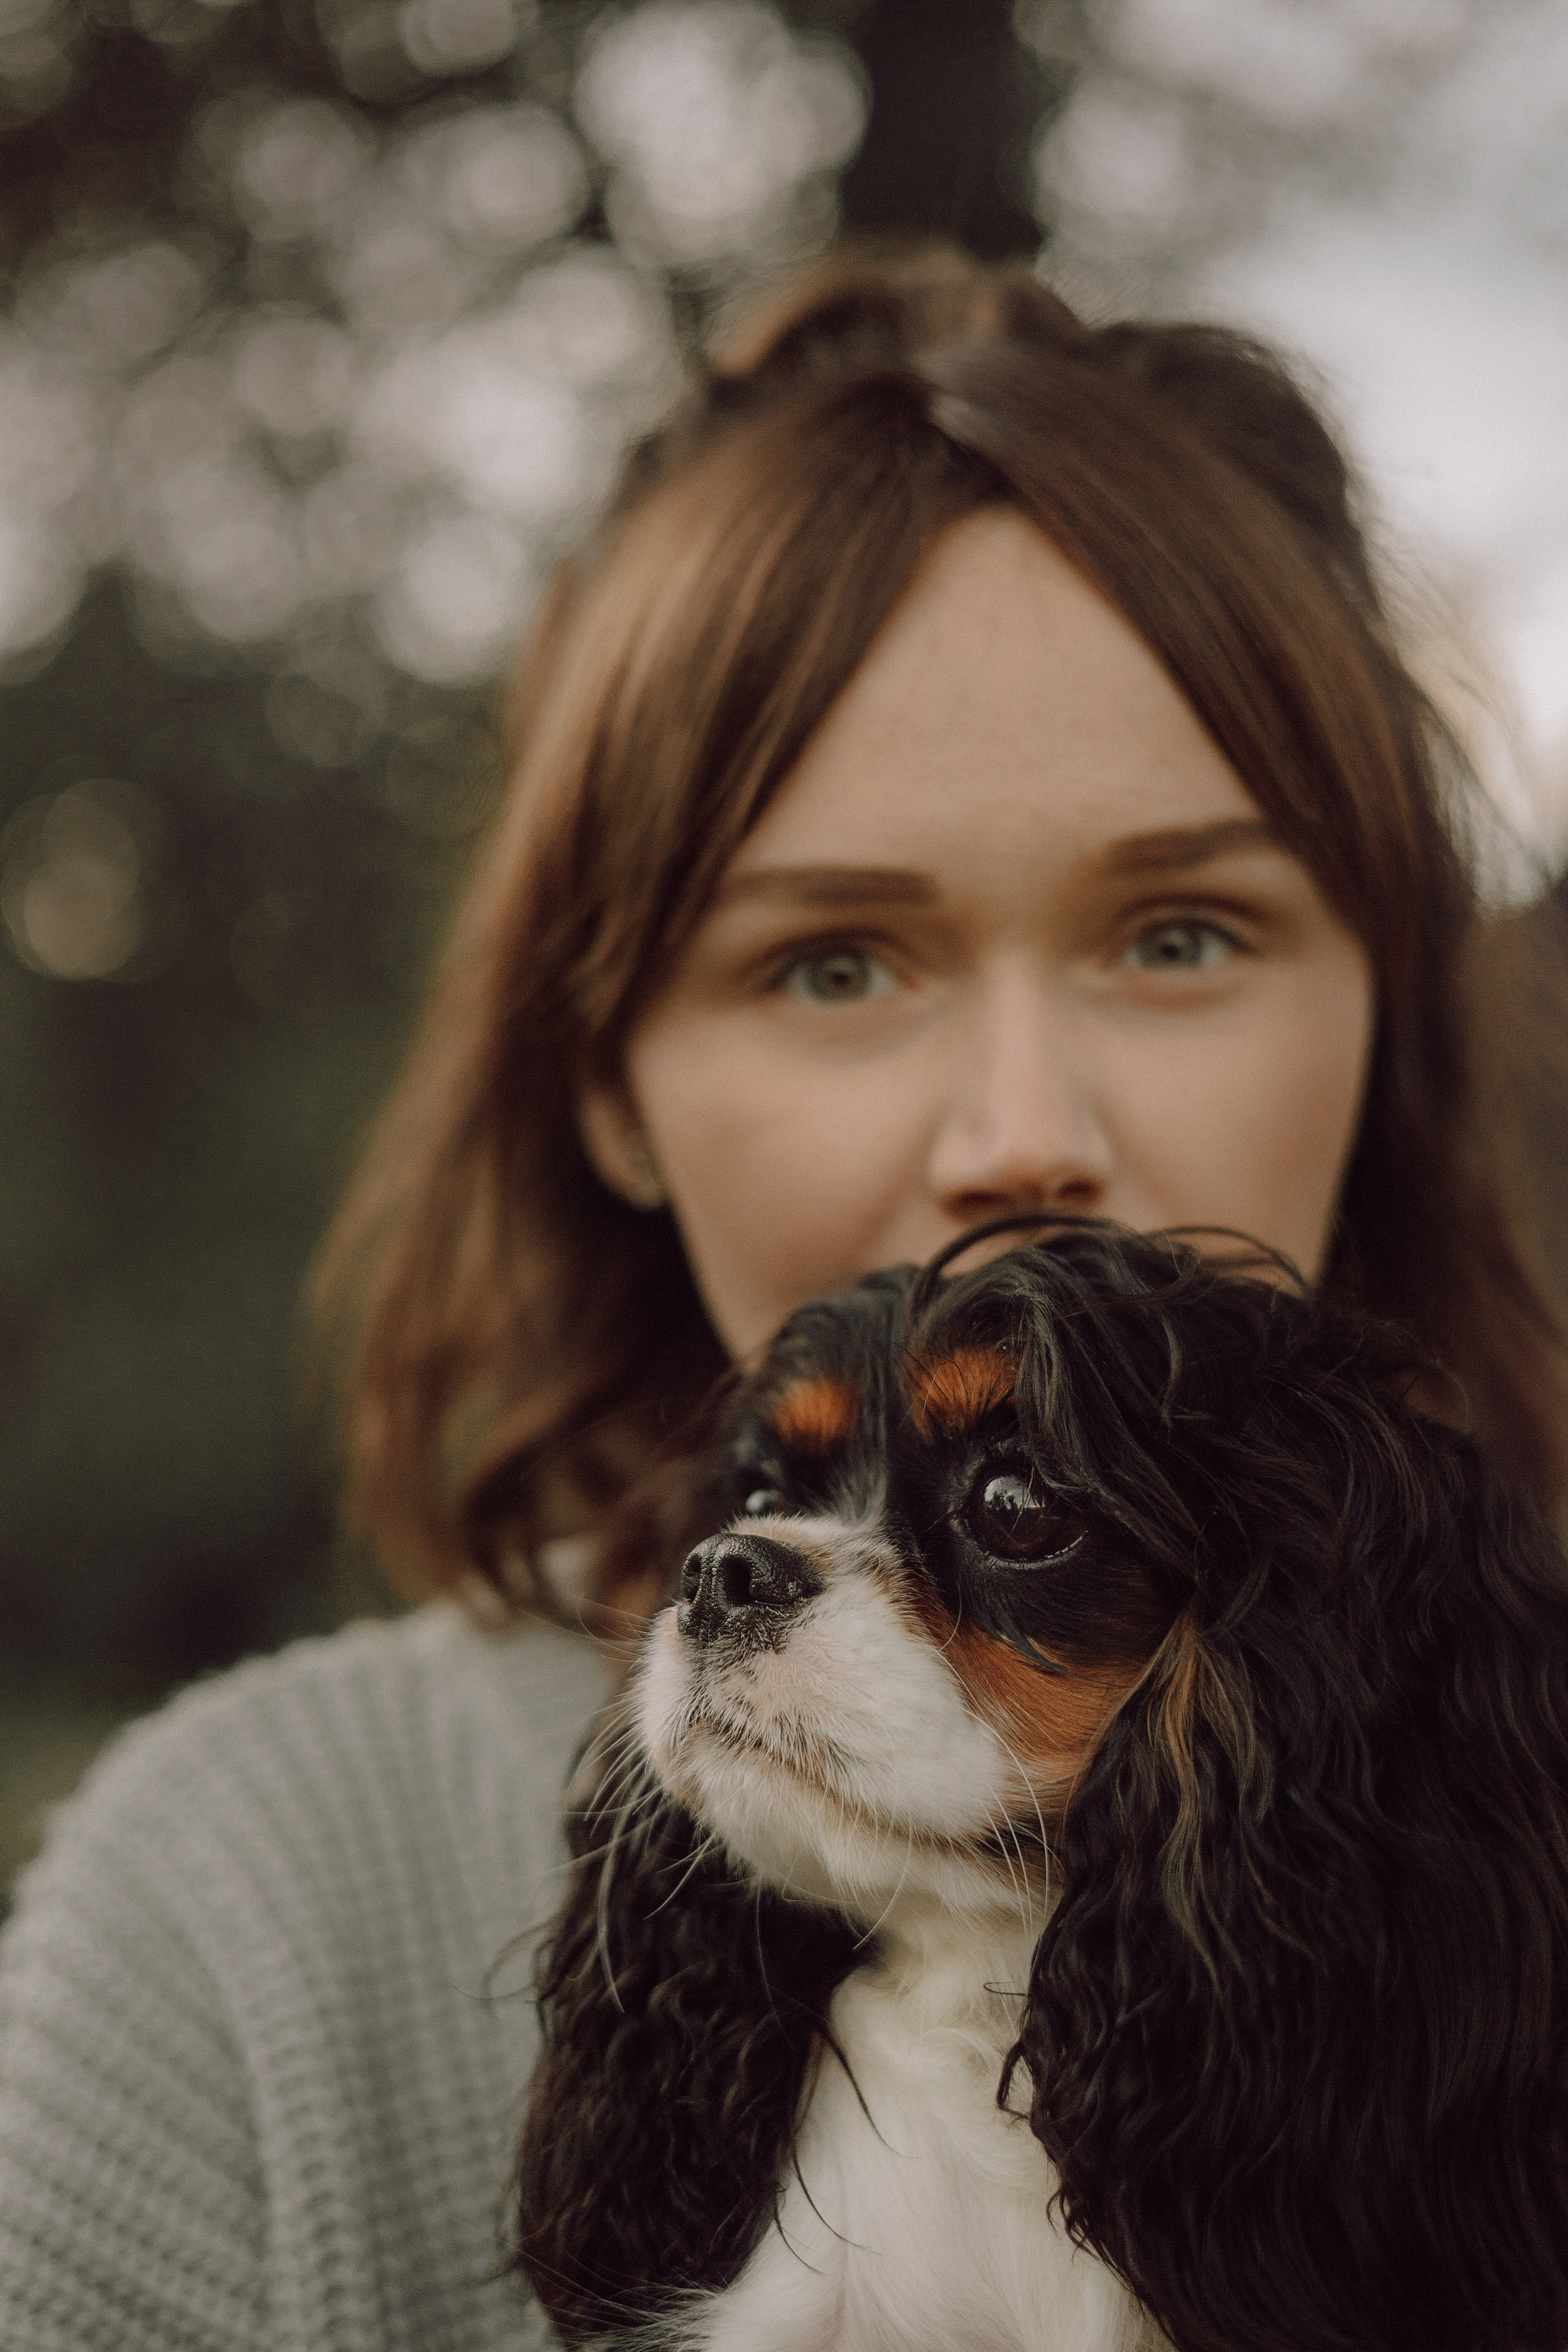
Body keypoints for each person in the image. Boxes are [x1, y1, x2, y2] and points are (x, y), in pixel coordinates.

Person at [0, 243, 1561, 2351]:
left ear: (1392, 1020)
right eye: (833, 961)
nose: (1024, 1129)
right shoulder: (231, 1917)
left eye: (1182, 931)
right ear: (610, 1083)